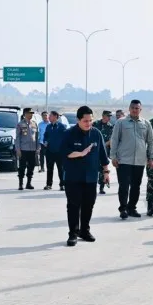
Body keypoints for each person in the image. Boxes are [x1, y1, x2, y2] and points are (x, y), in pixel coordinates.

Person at [61, 106, 110, 247]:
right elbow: (65, 153)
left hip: (91, 177)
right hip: (73, 177)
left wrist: (106, 172)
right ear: (78, 120)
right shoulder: (69, 134)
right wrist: (81, 153)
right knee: (73, 205)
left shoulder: (96, 134)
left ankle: (84, 230)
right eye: (85, 121)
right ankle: (73, 233)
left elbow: (103, 155)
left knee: (89, 205)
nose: (88, 123)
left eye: (90, 120)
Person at [110, 99, 153, 219]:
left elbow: (151, 141)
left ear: (140, 110)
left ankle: (132, 208)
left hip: (139, 161)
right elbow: (114, 140)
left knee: (136, 186)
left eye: (137, 108)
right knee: (124, 186)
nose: (135, 110)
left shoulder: (146, 124)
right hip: (124, 160)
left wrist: (151, 157)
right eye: (133, 108)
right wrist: (113, 156)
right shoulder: (121, 123)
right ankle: (123, 209)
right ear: (129, 109)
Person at [15, 108, 40, 190]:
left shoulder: (34, 124)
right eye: (29, 113)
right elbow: (17, 138)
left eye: (32, 113)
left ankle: (28, 183)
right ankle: (20, 183)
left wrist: (38, 148)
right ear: (25, 114)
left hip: (32, 149)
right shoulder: (20, 124)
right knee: (22, 167)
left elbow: (37, 137)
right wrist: (18, 149)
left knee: (31, 167)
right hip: (23, 149)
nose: (31, 114)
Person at [44, 111, 67, 191]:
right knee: (49, 169)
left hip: (59, 152)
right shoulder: (48, 127)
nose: (49, 117)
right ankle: (49, 184)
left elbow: (66, 138)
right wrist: (45, 141)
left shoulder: (61, 127)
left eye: (50, 116)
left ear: (55, 117)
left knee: (61, 169)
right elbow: (45, 136)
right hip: (50, 151)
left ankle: (62, 185)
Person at [93, 110, 114, 195]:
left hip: (104, 151)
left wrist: (104, 145)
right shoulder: (95, 124)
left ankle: (101, 187)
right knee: (93, 169)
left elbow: (112, 139)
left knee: (103, 169)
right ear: (103, 116)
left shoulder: (110, 127)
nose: (109, 118)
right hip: (94, 150)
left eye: (110, 116)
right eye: (108, 116)